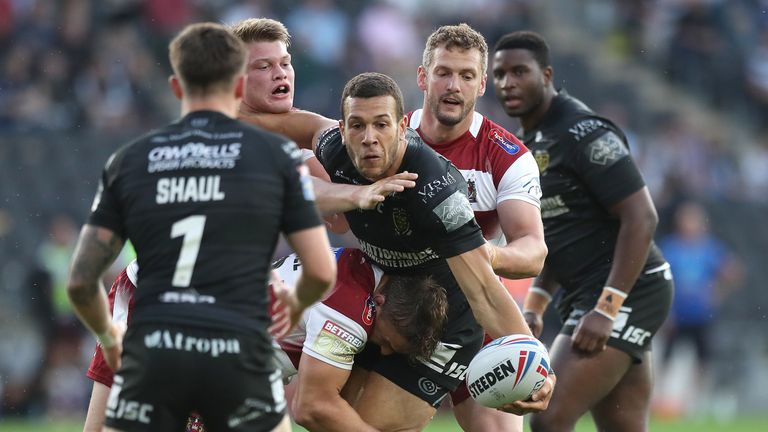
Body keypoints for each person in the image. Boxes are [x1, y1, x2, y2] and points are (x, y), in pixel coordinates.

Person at [248, 23, 550, 432]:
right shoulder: (352, 136)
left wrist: (537, 363)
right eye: (443, 72)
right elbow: (295, 128)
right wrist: (218, 109)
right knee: (314, 410)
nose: (369, 138)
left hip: (445, 321)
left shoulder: (440, 186)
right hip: (380, 303)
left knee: (354, 419)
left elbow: (490, 284)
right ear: (423, 77)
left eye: (465, 76)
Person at [66, 22, 336, 432]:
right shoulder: (273, 155)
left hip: (147, 318)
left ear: (176, 88)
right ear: (235, 84)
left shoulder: (131, 159)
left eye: (285, 64)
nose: (280, 74)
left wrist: (107, 335)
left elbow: (80, 282)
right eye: (265, 66)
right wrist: (295, 305)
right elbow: (322, 266)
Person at [491, 30, 674, 432]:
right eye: (500, 74)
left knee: (548, 414)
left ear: (547, 74)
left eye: (520, 71)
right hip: (586, 294)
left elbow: (642, 218)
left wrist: (608, 308)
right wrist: (535, 306)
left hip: (629, 290)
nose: (508, 82)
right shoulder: (525, 143)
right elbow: (557, 234)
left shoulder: (584, 133)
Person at [84, 248, 448, 432]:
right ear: (380, 303)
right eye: (386, 341)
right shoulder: (350, 315)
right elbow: (312, 407)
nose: (380, 350)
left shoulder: (361, 265)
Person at [657, 201, 743, 416]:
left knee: (703, 362)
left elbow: (733, 272)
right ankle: (660, 401)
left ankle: (695, 405)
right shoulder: (671, 247)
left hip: (701, 316)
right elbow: (660, 280)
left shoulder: (709, 248)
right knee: (666, 360)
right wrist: (665, 312)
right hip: (677, 316)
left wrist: (717, 293)